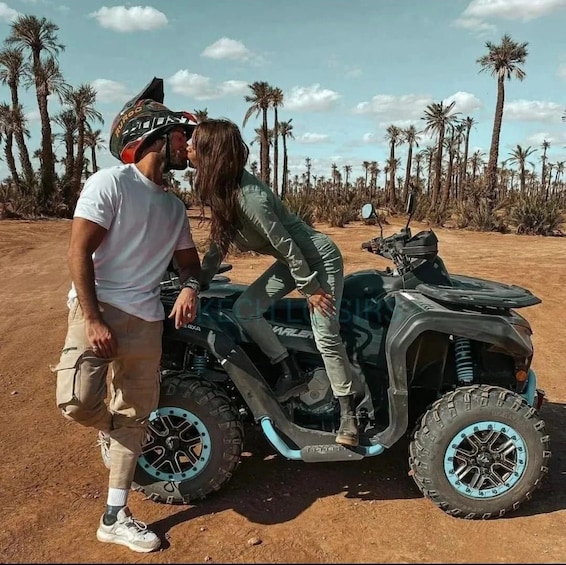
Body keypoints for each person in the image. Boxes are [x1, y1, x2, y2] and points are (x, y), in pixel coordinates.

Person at [52, 78, 202, 553]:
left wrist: (191, 286)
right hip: (100, 309)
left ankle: (114, 515)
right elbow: (79, 252)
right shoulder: (110, 183)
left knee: (136, 413)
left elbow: (189, 262)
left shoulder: (174, 206)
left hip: (146, 320)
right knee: (75, 401)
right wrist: (93, 319)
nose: (187, 146)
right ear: (158, 137)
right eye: (181, 136)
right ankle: (117, 433)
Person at [189, 118, 359, 448]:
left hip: (318, 259)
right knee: (246, 309)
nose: (188, 147)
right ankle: (289, 369)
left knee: (325, 331)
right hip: (293, 262)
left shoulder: (249, 197)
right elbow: (216, 245)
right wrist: (198, 282)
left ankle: (348, 412)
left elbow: (286, 245)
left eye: (195, 143)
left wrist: (310, 289)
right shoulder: (223, 190)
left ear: (211, 152)